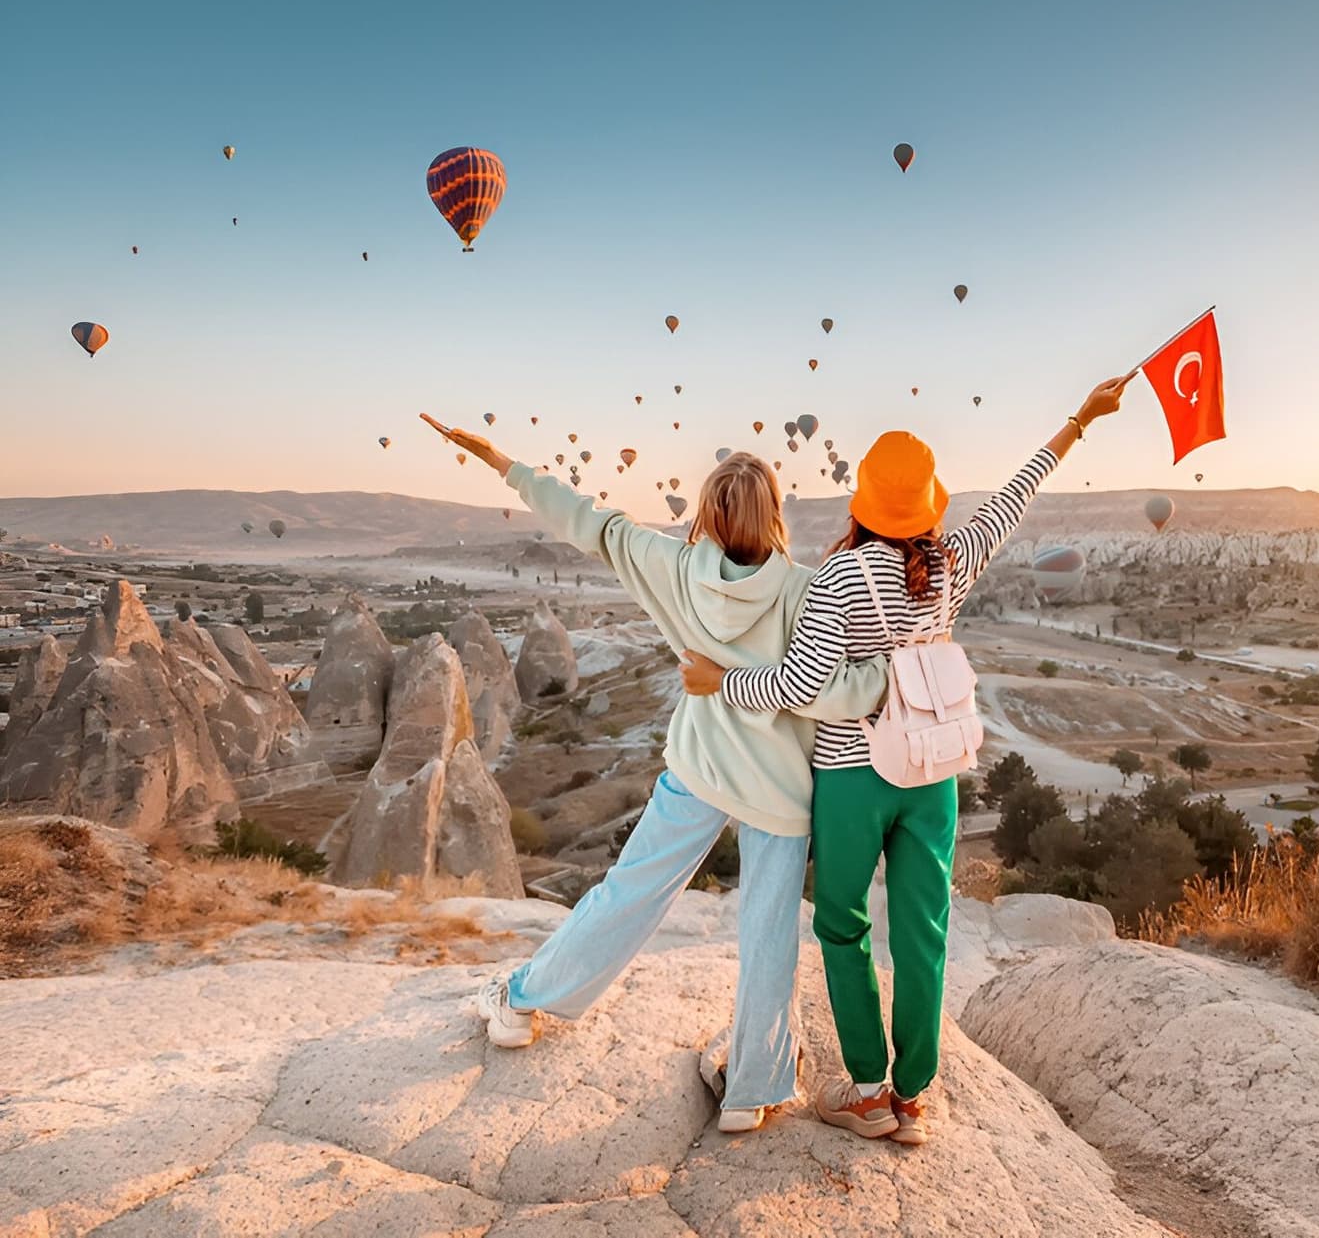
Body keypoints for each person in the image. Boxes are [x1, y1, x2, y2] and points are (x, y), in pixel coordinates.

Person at [681, 374, 1128, 1145]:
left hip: (856, 777)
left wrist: (723, 680)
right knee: (924, 931)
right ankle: (915, 1096)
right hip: (934, 777)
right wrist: (1079, 419)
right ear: (927, 503)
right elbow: (1013, 500)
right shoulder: (950, 563)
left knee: (845, 927)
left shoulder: (838, 579)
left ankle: (865, 1091)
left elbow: (796, 684)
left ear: (860, 501)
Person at [420, 414, 888, 1135]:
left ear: (704, 514)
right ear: (776, 518)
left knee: (630, 891)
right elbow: (835, 686)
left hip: (699, 768)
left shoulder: (671, 565)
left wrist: (501, 461)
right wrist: (884, 678)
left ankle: (523, 1003)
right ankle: (754, 1089)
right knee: (768, 930)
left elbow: (587, 520)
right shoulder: (804, 589)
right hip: (780, 788)